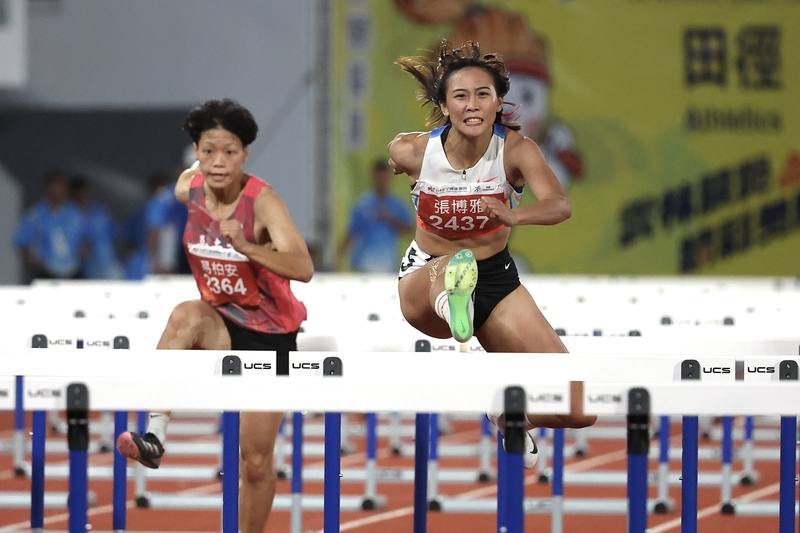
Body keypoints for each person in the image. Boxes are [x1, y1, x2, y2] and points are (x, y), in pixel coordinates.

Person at [389, 41, 596, 466]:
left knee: (578, 407)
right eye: (460, 96)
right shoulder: (412, 151)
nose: (472, 105)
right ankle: (452, 304)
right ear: (444, 106)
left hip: (495, 280)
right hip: (425, 278)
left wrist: (513, 217)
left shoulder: (516, 151)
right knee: (452, 267)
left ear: (498, 101)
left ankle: (508, 413)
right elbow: (396, 158)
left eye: (483, 94)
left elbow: (559, 204)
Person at [116, 98, 313, 533]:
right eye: (208, 151)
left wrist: (248, 247)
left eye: (229, 152)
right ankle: (156, 435)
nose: (218, 162)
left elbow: (303, 267)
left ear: (245, 153)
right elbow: (183, 187)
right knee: (184, 314)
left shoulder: (263, 202)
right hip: (221, 322)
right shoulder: (189, 187)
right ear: (195, 153)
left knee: (256, 462)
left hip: (271, 335)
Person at [338, 160, 414, 272]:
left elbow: (410, 232)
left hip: (389, 264)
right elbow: (351, 233)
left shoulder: (397, 205)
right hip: (363, 265)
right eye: (378, 177)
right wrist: (338, 257)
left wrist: (390, 219)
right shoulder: (362, 204)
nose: (381, 181)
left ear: (389, 178)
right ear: (373, 177)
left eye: (383, 177)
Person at [13, 170, 87, 282]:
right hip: (45, 272)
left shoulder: (76, 214)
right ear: (48, 190)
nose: (58, 192)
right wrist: (34, 263)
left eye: (62, 188)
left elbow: (87, 239)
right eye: (55, 188)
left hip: (73, 272)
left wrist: (80, 256)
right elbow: (22, 241)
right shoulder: (35, 215)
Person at [69, 175, 121, 279]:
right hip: (81, 270)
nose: (84, 195)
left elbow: (114, 234)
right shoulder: (68, 215)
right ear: (73, 194)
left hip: (108, 267)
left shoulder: (100, 211)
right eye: (80, 192)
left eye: (86, 191)